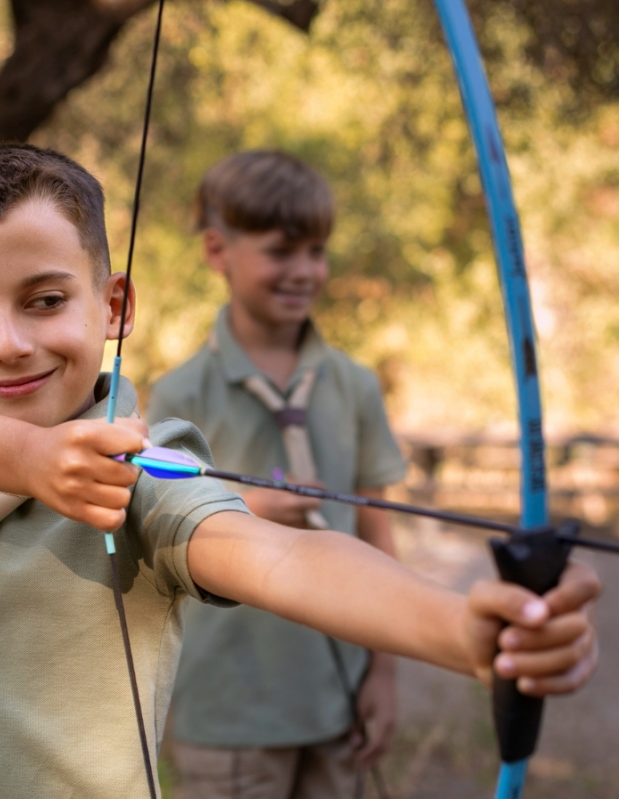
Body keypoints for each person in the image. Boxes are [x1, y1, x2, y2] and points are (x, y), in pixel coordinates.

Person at [0, 143, 601, 799]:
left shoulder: (137, 471)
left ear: (112, 306)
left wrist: (462, 630)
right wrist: (29, 458)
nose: (8, 342)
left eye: (46, 300)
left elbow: (278, 556)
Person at [146, 150, 409, 798]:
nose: (304, 271)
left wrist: (383, 672)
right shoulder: (183, 392)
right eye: (281, 251)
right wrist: (245, 509)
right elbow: (156, 523)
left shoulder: (353, 384)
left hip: (339, 698)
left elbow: (377, 528)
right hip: (231, 710)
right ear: (217, 250)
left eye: (317, 251)